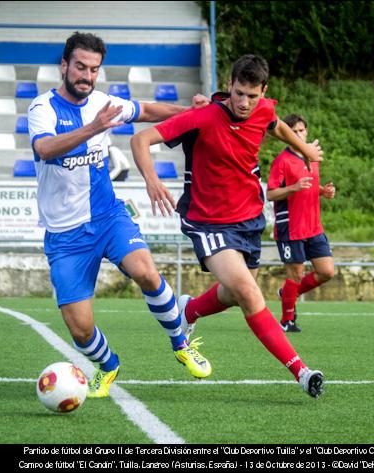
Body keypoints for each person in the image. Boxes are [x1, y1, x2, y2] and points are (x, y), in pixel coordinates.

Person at [27, 32, 211, 399]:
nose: (87, 76)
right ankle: (108, 365)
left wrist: (197, 113)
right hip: (65, 235)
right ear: (64, 66)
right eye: (80, 67)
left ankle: (180, 342)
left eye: (94, 69)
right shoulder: (42, 108)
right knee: (80, 330)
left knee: (145, 270)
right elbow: (45, 149)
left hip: (108, 216)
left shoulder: (103, 102)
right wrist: (94, 127)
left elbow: (145, 111)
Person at [130, 54, 326, 398]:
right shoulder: (202, 116)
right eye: (238, 93)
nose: (244, 103)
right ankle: (302, 371)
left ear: (263, 92)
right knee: (250, 294)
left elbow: (276, 125)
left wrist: (304, 149)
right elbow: (140, 139)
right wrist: (152, 179)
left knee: (236, 293)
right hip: (207, 221)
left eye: (252, 95)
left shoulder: (263, 110)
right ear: (230, 85)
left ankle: (187, 309)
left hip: (248, 217)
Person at [266, 114, 336, 332]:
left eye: (301, 130)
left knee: (327, 271)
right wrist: (293, 188)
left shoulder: (313, 158)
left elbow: (310, 188)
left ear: (307, 131)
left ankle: (287, 293)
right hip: (291, 227)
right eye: (293, 131)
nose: (298, 134)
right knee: (295, 275)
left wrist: (323, 191)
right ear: (286, 135)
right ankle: (287, 320)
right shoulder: (282, 161)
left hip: (313, 226)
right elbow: (270, 194)